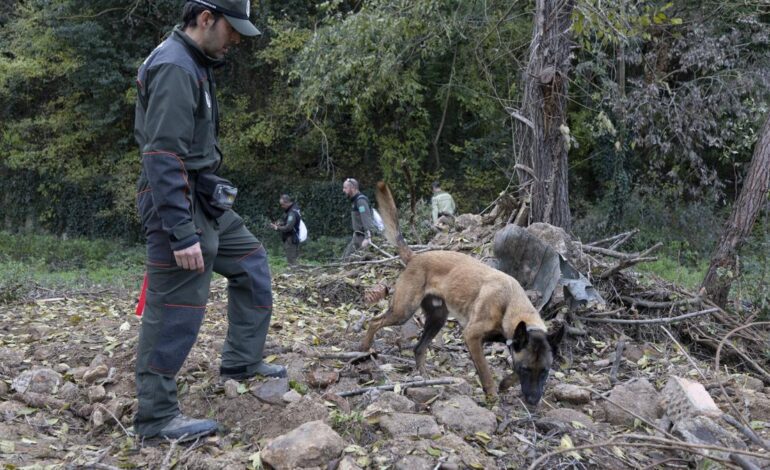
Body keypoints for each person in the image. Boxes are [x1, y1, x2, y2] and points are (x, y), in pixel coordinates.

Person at [133, 0, 285, 441]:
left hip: (203, 196)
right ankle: (156, 418)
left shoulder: (194, 62)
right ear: (205, 19)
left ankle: (241, 359)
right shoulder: (175, 67)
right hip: (176, 201)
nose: (236, 38)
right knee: (176, 305)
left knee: (252, 263)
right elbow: (162, 155)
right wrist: (181, 233)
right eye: (232, 29)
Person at [342, 178, 376, 259]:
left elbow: (366, 219)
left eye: (345, 188)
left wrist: (367, 238)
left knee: (348, 259)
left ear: (353, 188)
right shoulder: (355, 201)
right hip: (357, 236)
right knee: (345, 258)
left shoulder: (361, 201)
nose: (343, 190)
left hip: (362, 237)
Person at [271, 194, 301, 266]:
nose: (282, 206)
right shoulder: (294, 208)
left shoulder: (292, 212)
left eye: (282, 204)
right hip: (293, 236)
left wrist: (277, 228)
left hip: (291, 238)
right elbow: (289, 222)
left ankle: (294, 274)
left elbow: (288, 227)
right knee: (292, 259)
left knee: (291, 261)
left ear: (287, 202)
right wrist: (281, 223)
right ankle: (295, 272)